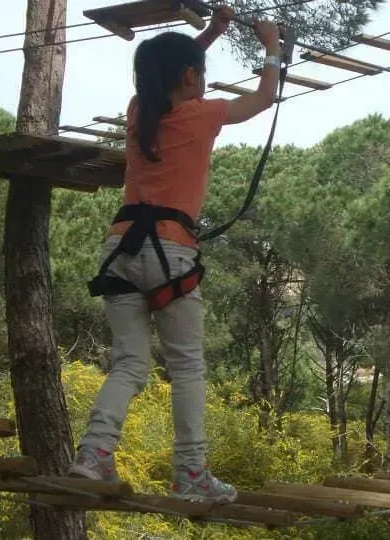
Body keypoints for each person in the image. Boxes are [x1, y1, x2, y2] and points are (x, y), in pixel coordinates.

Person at [68, 6, 282, 504]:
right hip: (169, 249)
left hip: (119, 249)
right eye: (200, 75)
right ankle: (190, 473)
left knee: (129, 363)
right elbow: (264, 96)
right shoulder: (202, 113)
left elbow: (167, 77)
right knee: (186, 367)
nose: (205, 83)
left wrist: (213, 33)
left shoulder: (140, 112)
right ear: (190, 77)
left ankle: (93, 455)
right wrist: (271, 45)